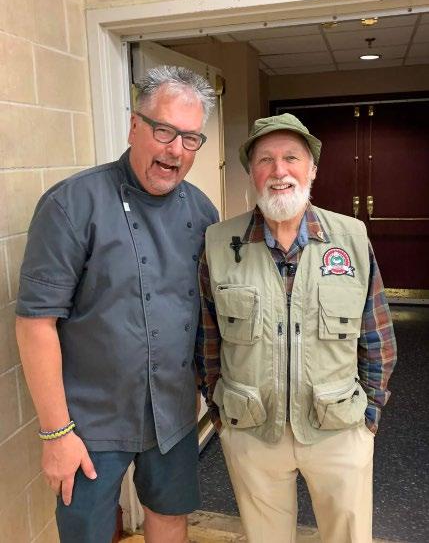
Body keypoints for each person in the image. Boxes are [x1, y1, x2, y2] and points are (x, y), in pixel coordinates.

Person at [15, 65, 218, 543]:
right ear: (133, 126)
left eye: (190, 138)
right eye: (163, 130)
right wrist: (56, 433)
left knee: (170, 516)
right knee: (87, 531)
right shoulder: (71, 204)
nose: (175, 149)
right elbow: (35, 324)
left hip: (173, 412)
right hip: (88, 422)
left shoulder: (201, 212)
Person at [196, 113, 397, 543]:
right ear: (251, 172)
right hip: (252, 432)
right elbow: (206, 339)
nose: (279, 171)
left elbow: (377, 335)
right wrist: (220, 414)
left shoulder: (351, 238)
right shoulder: (218, 243)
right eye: (265, 160)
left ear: (313, 170)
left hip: (339, 428)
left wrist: (369, 416)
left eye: (291, 158)